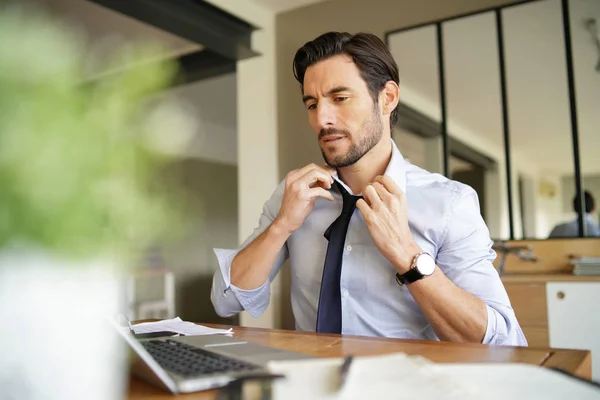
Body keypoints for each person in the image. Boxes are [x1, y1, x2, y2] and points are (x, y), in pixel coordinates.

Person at [210, 31, 527, 346]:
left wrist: (408, 255)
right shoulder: (294, 195)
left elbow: (504, 344)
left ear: (387, 98)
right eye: (311, 104)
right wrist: (282, 226)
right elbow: (226, 301)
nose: (322, 119)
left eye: (339, 99)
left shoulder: (450, 204)